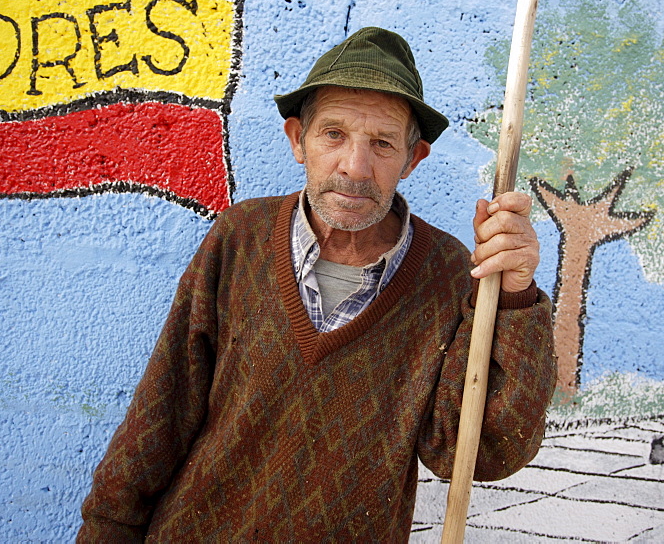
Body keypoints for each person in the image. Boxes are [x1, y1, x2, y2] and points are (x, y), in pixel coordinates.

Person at [77, 27, 556, 542]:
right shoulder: (241, 237)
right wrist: (106, 530)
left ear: (412, 160)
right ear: (297, 141)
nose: (355, 167)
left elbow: (479, 451)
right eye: (334, 134)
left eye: (382, 143)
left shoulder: (449, 273)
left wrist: (514, 297)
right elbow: (162, 411)